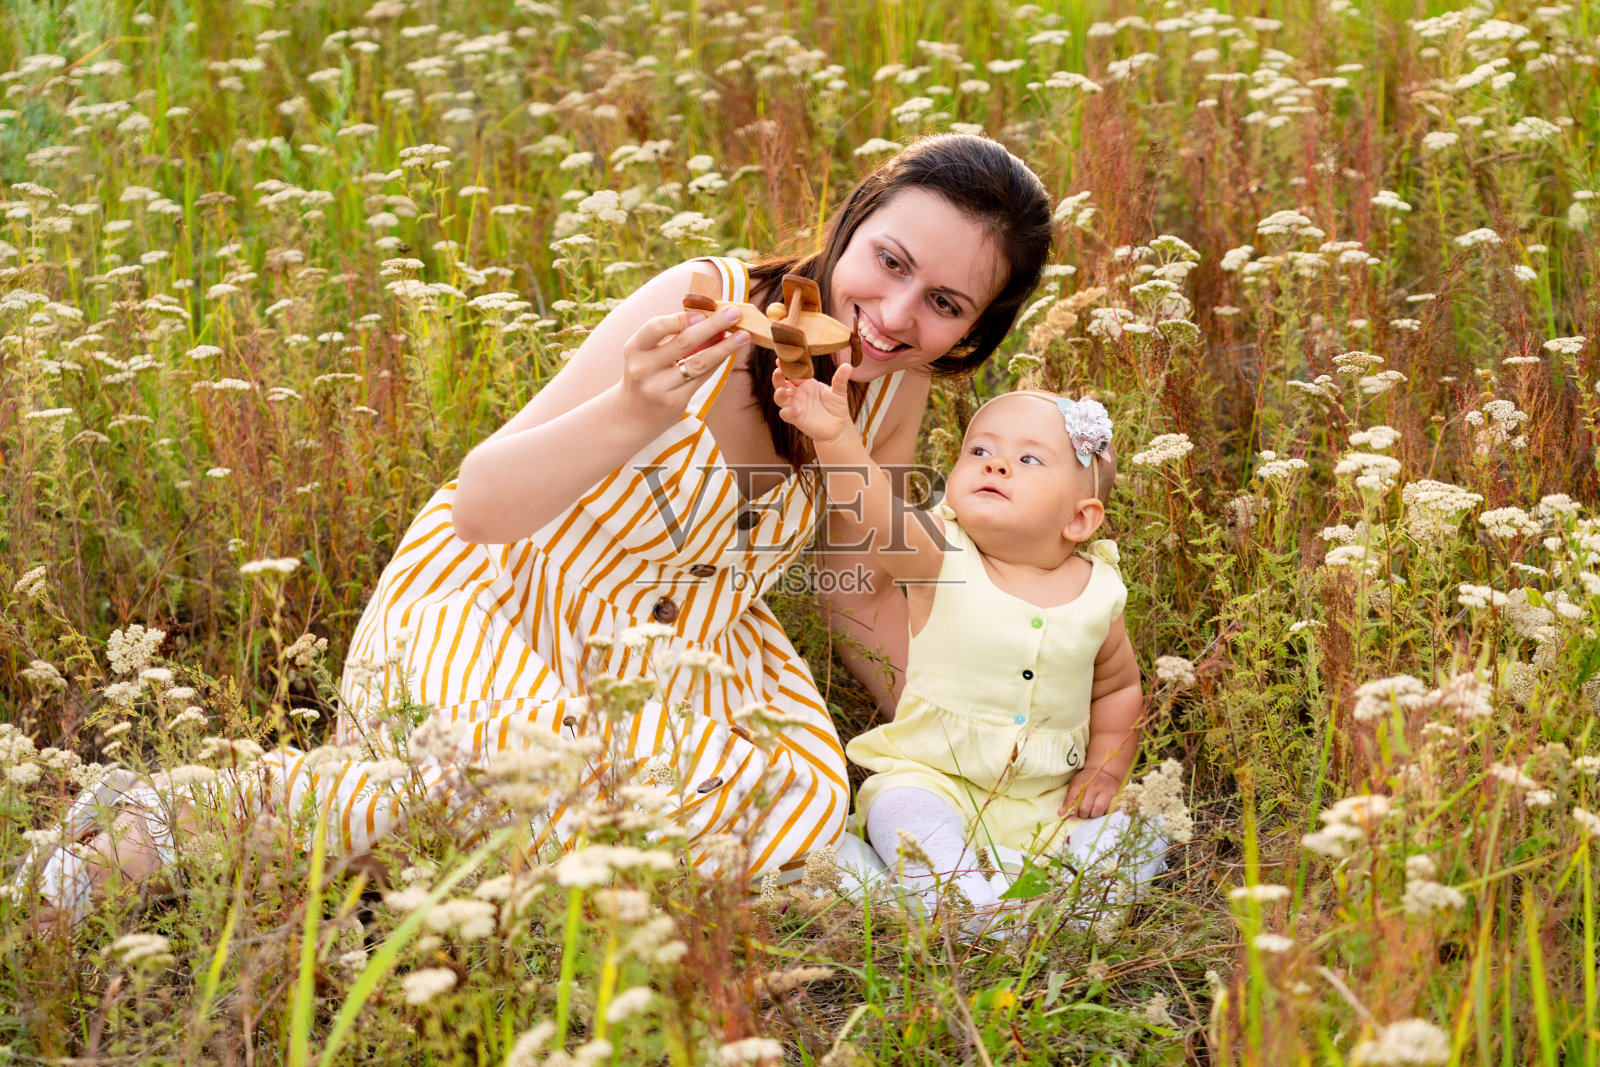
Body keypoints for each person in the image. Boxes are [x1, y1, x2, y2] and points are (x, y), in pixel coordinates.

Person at [24, 134, 1055, 922]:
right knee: (532, 785)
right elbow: (482, 501)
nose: (893, 314)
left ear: (976, 331)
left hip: (682, 662)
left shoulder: (891, 388)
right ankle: (190, 810)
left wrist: (950, 736)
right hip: (504, 602)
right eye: (888, 261)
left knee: (795, 805)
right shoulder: (701, 301)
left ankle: (395, 829)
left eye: (943, 302)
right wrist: (634, 410)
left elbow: (860, 583)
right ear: (853, 219)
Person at [773, 375, 1151, 919]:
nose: (996, 465)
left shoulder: (1098, 593)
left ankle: (1059, 905)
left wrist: (1105, 771)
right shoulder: (938, 554)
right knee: (907, 817)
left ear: (1079, 518)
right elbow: (874, 509)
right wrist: (835, 436)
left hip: (1047, 803)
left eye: (1029, 460)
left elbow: (1118, 688)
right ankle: (971, 908)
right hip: (931, 782)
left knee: (1136, 833)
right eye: (979, 451)